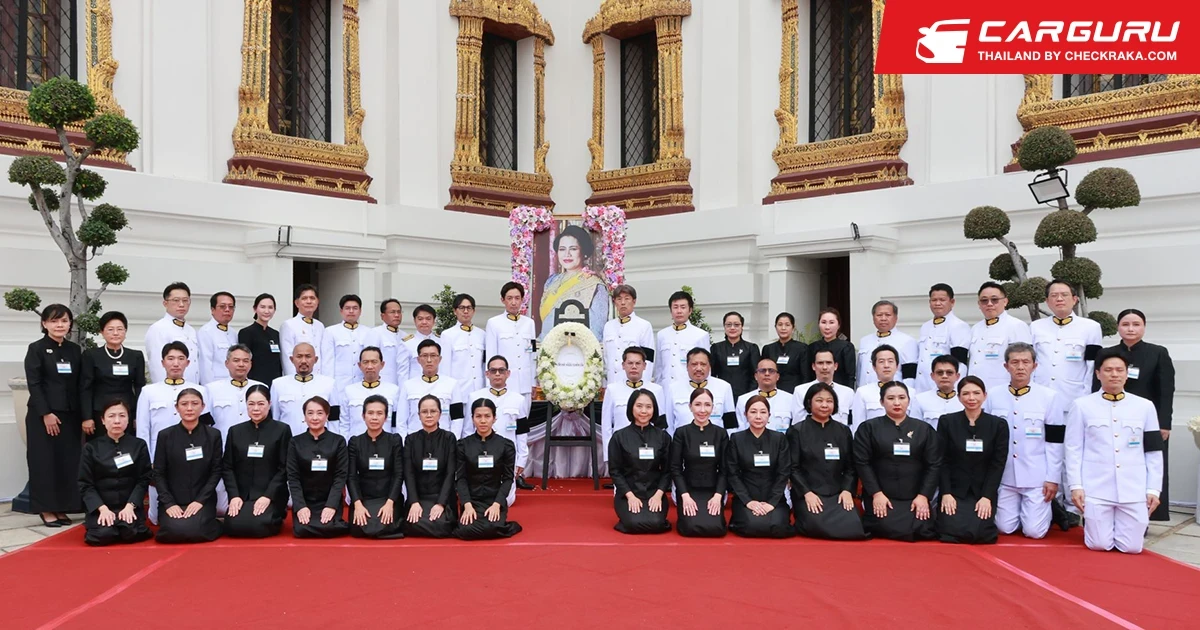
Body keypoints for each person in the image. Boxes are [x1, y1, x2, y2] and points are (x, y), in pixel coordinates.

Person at [1067, 352, 1163, 554]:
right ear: (1098, 374)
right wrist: (1076, 486)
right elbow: (1073, 449)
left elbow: (1153, 451)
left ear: (1127, 374)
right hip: (1096, 488)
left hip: (1133, 489)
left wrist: (1153, 489)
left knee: (1132, 547)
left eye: (1120, 370)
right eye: (1108, 370)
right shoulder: (1082, 405)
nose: (1114, 374)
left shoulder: (1145, 407)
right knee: (1099, 544)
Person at [1094, 309, 1175, 522]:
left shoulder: (1158, 353)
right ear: (1118, 327)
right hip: (1111, 416)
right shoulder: (1106, 353)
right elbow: (1095, 386)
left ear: (1144, 327)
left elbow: (1166, 390)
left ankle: (1146, 515)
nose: (1130, 329)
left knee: (1149, 464)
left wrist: (1164, 423)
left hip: (1147, 420)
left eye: (1136, 324)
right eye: (1125, 324)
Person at [983, 342, 1067, 539]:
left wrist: (1053, 478)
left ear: (1034, 366)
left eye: (1025, 362)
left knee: (1034, 532)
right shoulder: (993, 395)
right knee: (1005, 528)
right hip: (1006, 476)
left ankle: (1051, 511)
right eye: (1015, 362)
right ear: (1006, 366)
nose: (1020, 367)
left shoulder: (1049, 397)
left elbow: (1055, 442)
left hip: (1036, 476)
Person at [853, 381, 941, 542]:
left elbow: (934, 464)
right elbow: (862, 463)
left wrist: (923, 496)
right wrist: (876, 494)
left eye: (902, 398)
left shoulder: (923, 429)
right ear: (881, 402)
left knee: (921, 529)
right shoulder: (868, 428)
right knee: (881, 525)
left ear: (909, 400)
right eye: (890, 398)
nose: (897, 402)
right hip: (882, 495)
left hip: (914, 496)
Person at [136, 341, 210, 524]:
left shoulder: (200, 390)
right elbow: (143, 429)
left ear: (188, 362)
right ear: (162, 362)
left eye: (180, 358)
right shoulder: (149, 392)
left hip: (193, 453)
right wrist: (148, 460)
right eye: (170, 359)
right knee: (156, 518)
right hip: (159, 456)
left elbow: (206, 428)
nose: (176, 363)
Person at [787, 383, 864, 540]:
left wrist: (847, 490)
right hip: (809, 493)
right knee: (814, 525)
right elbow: (793, 468)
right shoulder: (796, 431)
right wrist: (807, 493)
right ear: (809, 403)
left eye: (829, 401)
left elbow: (851, 467)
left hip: (837, 493)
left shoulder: (843, 431)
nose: (824, 405)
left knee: (853, 527)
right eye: (819, 400)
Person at [936, 376, 1008, 544]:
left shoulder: (998, 425)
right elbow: (942, 460)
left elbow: (997, 464)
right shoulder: (947, 421)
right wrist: (946, 493)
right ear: (959, 397)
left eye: (976, 393)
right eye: (966, 394)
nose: (971, 398)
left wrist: (987, 496)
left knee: (981, 533)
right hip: (955, 490)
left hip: (982, 489)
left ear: (985, 395)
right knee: (950, 530)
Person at [77, 400, 152, 546]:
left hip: (129, 505)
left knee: (131, 533)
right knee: (103, 535)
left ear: (128, 419)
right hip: (102, 506)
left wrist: (130, 506)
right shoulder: (91, 448)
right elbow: (85, 483)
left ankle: (123, 524)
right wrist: (102, 508)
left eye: (122, 416)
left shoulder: (139, 445)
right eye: (111, 416)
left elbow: (144, 479)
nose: (117, 421)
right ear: (103, 420)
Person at [153, 389, 223, 543]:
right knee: (173, 531)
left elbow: (216, 471)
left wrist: (200, 501)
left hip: (202, 499)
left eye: (195, 403)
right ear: (177, 408)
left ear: (203, 407)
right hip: (173, 499)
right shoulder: (165, 435)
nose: (189, 408)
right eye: (184, 404)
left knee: (196, 530)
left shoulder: (213, 435)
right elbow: (158, 473)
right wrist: (169, 503)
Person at [222, 385, 291, 538]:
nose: (256, 409)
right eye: (251, 404)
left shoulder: (282, 430)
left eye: (261, 404)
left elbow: (284, 468)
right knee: (232, 526)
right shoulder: (235, 431)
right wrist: (234, 496)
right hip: (242, 496)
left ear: (269, 404)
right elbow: (227, 467)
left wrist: (268, 496)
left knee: (259, 526)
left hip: (270, 495)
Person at [454, 399, 523, 539]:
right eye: (478, 416)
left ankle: (506, 525)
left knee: (492, 528)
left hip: (494, 499)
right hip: (472, 500)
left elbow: (508, 479)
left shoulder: (506, 445)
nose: (483, 421)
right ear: (472, 418)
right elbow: (461, 478)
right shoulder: (463, 445)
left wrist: (497, 504)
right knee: (466, 531)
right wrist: (466, 504)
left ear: (494, 418)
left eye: (487, 416)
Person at [725, 395, 793, 538]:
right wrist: (748, 501)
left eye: (763, 412)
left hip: (773, 497)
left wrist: (771, 503)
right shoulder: (736, 439)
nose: (758, 416)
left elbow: (783, 472)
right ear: (745, 414)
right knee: (751, 526)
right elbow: (733, 473)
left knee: (778, 527)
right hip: (746, 497)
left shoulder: (779, 439)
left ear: (769, 415)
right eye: (753, 412)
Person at [609, 389, 673, 534]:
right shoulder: (619, 437)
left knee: (656, 524)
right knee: (633, 523)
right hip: (629, 493)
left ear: (654, 410)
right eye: (639, 406)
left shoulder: (663, 437)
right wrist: (630, 496)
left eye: (648, 407)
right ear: (631, 407)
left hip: (654, 492)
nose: (644, 411)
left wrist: (658, 495)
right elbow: (615, 471)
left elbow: (668, 470)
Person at [469, 356, 532, 503]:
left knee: (507, 501)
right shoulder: (475, 397)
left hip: (506, 455)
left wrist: (521, 460)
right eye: (493, 370)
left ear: (508, 373)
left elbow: (522, 433)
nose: (497, 374)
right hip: (480, 451)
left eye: (501, 370)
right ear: (487, 374)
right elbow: (468, 429)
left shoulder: (518, 399)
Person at [669, 388, 730, 538]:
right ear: (690, 407)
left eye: (707, 405)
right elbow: (676, 468)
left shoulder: (720, 433)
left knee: (716, 528)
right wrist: (684, 495)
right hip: (688, 490)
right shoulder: (682, 433)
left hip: (713, 491)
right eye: (697, 405)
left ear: (713, 407)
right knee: (690, 528)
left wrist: (718, 495)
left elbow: (725, 469)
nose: (702, 410)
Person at [286, 396, 349, 538]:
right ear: (304, 416)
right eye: (310, 413)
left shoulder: (338, 441)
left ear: (327, 415)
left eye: (320, 413)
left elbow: (340, 477)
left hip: (329, 499)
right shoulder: (295, 442)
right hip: (306, 501)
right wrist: (301, 506)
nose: (315, 418)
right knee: (301, 530)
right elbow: (293, 477)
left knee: (328, 526)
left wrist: (331, 505)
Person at [1032, 280, 1102, 403]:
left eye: (1064, 295)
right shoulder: (1035, 327)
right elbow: (1031, 361)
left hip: (1073, 395)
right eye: (1054, 295)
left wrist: (1087, 396)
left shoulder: (1091, 327)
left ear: (1074, 299)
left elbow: (1091, 365)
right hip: (1041, 394)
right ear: (1047, 301)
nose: (1059, 299)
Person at [80, 311, 145, 441]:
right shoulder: (91, 355)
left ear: (125, 331)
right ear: (102, 332)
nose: (115, 333)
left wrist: (139, 416)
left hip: (127, 412)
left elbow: (139, 387)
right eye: (110, 329)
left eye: (120, 329)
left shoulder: (135, 356)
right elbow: (85, 388)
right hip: (100, 413)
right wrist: (87, 417)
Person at [347, 395, 405, 539]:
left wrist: (390, 503)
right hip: (364, 499)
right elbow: (351, 476)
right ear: (363, 416)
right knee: (359, 527)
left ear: (386, 417)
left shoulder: (394, 440)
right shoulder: (355, 442)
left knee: (386, 524)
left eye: (379, 413)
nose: (374, 418)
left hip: (388, 498)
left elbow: (398, 474)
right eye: (370, 413)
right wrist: (358, 504)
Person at [539, 225, 608, 341]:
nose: (567, 254)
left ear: (584, 252)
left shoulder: (595, 284)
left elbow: (597, 331)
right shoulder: (551, 281)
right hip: (549, 345)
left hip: (581, 347)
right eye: (562, 249)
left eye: (573, 249)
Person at [403, 395, 458, 538]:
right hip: (419, 498)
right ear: (418, 415)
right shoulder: (411, 440)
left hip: (441, 497)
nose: (429, 415)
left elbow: (450, 473)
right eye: (424, 411)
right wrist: (414, 502)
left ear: (440, 414)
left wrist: (441, 503)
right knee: (411, 522)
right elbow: (409, 473)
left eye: (433, 411)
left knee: (441, 524)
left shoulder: (449, 438)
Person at [602, 347, 667, 464]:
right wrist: (609, 456)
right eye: (630, 363)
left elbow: (660, 425)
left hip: (648, 451)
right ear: (623, 365)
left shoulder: (656, 390)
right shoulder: (612, 390)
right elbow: (606, 426)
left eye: (638, 363)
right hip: (621, 450)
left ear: (644, 366)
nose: (634, 367)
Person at [968, 282, 1032, 394]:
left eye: (994, 300)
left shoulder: (1016, 326)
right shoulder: (975, 328)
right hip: (976, 392)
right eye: (984, 300)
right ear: (979, 304)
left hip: (1003, 391)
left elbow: (1024, 362)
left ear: (1005, 301)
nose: (989, 304)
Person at [398, 340, 467, 436]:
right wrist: (404, 441)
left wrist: (453, 441)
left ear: (440, 359)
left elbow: (457, 418)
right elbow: (401, 420)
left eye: (433, 355)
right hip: (414, 439)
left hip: (444, 440)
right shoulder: (408, 385)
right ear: (418, 359)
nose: (429, 360)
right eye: (425, 356)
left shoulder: (452, 384)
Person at [850, 345, 923, 434]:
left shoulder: (910, 392)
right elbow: (858, 425)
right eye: (881, 362)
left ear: (897, 366)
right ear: (874, 367)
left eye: (890, 361)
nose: (886, 365)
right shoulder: (863, 392)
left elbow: (915, 425)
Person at [270, 342, 338, 436]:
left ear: (315, 359)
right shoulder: (278, 384)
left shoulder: (329, 383)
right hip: (288, 439)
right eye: (299, 356)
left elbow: (334, 419)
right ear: (292, 359)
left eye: (308, 356)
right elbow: (275, 417)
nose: (303, 361)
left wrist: (333, 441)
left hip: (319, 440)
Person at [485, 282, 537, 407]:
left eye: (517, 298)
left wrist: (533, 382)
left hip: (525, 384)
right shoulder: (494, 323)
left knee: (524, 417)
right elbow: (490, 356)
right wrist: (490, 385)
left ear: (522, 300)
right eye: (509, 298)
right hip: (503, 384)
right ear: (503, 300)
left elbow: (532, 354)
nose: (514, 302)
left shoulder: (529, 323)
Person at [665, 348, 737, 433]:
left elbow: (730, 424)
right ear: (687, 366)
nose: (698, 368)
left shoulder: (724, 387)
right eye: (694, 364)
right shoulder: (673, 388)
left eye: (703, 364)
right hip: (683, 440)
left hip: (715, 439)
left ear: (709, 367)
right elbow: (669, 423)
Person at [916, 284, 971, 393]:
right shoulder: (925, 326)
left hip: (944, 388)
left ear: (952, 302)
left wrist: (955, 390)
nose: (937, 303)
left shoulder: (958, 326)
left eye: (942, 300)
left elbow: (960, 363)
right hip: (922, 387)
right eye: (934, 300)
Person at [654, 290, 711, 389]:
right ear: (671, 310)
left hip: (689, 389)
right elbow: (658, 368)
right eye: (675, 307)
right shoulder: (662, 335)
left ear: (690, 310)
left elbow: (706, 368)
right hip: (666, 388)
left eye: (683, 307)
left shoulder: (700, 335)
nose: (679, 311)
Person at [205, 345, 263, 440]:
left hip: (254, 443)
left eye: (245, 361)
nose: (241, 364)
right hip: (223, 443)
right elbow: (206, 424)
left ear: (250, 364)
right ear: (226, 363)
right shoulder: (211, 389)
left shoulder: (260, 387)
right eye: (236, 360)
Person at [602, 284, 656, 385]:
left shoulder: (644, 326)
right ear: (614, 302)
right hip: (612, 384)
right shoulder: (608, 326)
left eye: (627, 299)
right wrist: (605, 384)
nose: (623, 303)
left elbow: (648, 360)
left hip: (634, 384)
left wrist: (644, 385)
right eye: (619, 299)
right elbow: (605, 358)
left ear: (634, 301)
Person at [145, 282, 199, 383]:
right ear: (165, 303)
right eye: (176, 300)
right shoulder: (158, 329)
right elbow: (157, 366)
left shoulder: (191, 330)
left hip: (192, 387)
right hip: (172, 387)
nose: (181, 304)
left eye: (185, 300)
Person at [341, 346, 401, 437]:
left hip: (385, 443)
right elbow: (344, 424)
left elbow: (396, 424)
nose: (369, 366)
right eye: (365, 362)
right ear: (359, 365)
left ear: (382, 364)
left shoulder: (393, 390)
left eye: (374, 362)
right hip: (355, 443)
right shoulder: (349, 390)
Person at [857, 300, 918, 389]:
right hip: (867, 391)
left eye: (888, 315)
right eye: (879, 315)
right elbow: (860, 372)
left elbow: (910, 376)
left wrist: (907, 393)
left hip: (893, 392)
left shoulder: (907, 341)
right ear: (873, 318)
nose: (883, 318)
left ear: (896, 318)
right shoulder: (865, 341)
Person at [791, 349, 854, 426]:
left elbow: (851, 424)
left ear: (835, 366)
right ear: (813, 366)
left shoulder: (848, 393)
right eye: (820, 363)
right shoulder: (800, 391)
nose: (824, 367)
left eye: (828, 363)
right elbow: (797, 422)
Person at [321, 294, 367, 394]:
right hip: (339, 386)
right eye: (347, 308)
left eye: (355, 308)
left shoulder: (368, 332)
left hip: (362, 384)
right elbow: (327, 362)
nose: (351, 311)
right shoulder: (331, 331)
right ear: (341, 311)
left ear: (360, 311)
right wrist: (328, 387)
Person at [440, 293, 486, 394]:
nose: (465, 311)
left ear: (474, 311)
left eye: (469, 308)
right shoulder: (448, 335)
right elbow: (445, 368)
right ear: (455, 311)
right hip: (459, 391)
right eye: (462, 308)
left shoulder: (482, 334)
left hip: (479, 390)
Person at [735, 357, 795, 434]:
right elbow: (740, 430)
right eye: (762, 371)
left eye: (771, 371)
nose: (767, 374)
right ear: (756, 376)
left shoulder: (790, 399)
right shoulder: (743, 400)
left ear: (777, 376)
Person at [710, 311, 761, 399]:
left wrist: (749, 395)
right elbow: (712, 374)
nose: (732, 328)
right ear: (724, 327)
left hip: (745, 395)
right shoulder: (716, 348)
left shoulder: (751, 348)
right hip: (721, 395)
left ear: (742, 327)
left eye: (736, 325)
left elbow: (756, 375)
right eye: (729, 325)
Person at [364, 298, 413, 388]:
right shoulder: (375, 333)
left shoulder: (405, 336)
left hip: (402, 383)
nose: (396, 315)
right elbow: (369, 359)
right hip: (383, 383)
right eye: (392, 312)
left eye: (399, 312)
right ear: (382, 316)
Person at [238, 293, 283, 386]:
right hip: (255, 382)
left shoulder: (275, 334)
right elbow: (245, 360)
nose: (266, 311)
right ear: (255, 309)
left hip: (275, 382)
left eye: (270, 307)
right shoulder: (246, 332)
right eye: (262, 307)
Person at [280, 284, 325, 376]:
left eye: (312, 298)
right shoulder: (289, 325)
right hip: (299, 377)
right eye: (304, 298)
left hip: (318, 377)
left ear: (317, 302)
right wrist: (294, 379)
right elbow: (287, 357)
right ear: (297, 303)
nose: (309, 301)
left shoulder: (320, 326)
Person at [761, 312, 810, 394]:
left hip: (794, 392)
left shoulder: (802, 348)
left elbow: (805, 376)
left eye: (787, 325)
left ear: (793, 327)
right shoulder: (768, 349)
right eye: (780, 325)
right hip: (772, 391)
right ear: (775, 327)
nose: (783, 328)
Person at [911, 355, 964, 430]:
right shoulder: (920, 400)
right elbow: (915, 429)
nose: (944, 376)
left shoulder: (965, 400)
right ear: (932, 376)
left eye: (949, 372)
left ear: (957, 376)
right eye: (940, 372)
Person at [808, 307, 856, 388]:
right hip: (816, 390)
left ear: (838, 325)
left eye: (831, 322)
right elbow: (808, 374)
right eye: (823, 322)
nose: (827, 327)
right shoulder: (812, 347)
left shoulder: (846, 347)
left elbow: (850, 376)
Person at [198, 292, 238, 385]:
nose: (227, 310)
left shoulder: (233, 333)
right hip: (216, 384)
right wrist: (208, 387)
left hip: (233, 383)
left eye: (231, 307)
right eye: (222, 306)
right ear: (213, 310)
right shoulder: (206, 332)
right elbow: (205, 364)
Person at [404, 304, 449, 379]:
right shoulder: (406, 343)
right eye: (420, 319)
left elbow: (445, 366)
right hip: (415, 384)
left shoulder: (442, 341)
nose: (424, 322)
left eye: (428, 319)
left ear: (434, 321)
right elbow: (403, 372)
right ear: (414, 321)